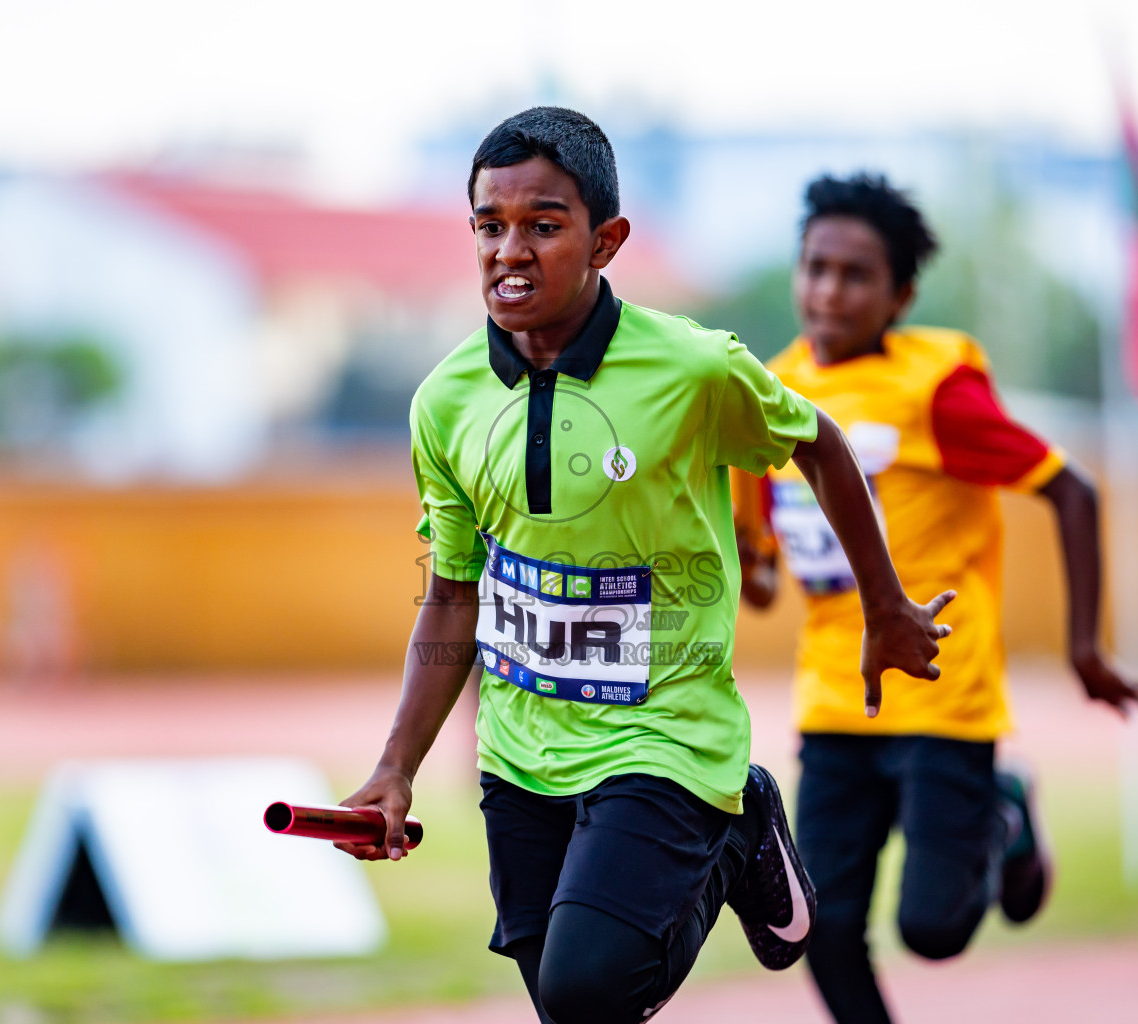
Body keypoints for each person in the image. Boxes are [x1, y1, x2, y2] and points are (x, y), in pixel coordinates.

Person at [333, 108, 953, 1024]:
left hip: (665, 736)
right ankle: (734, 833)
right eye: (489, 225)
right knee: (567, 1004)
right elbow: (454, 592)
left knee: (588, 990)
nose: (511, 249)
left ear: (605, 241)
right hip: (524, 753)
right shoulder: (445, 402)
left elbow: (818, 442)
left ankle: (733, 828)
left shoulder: (693, 369)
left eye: (544, 225)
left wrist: (885, 603)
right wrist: (398, 766)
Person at [731, 173, 1138, 1023]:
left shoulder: (936, 389)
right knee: (824, 927)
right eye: (815, 268)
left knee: (933, 929)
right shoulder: (763, 395)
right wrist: (749, 567)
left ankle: (1005, 811)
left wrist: (1084, 650)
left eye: (856, 274)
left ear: (902, 293)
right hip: (834, 701)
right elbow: (769, 575)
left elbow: (1073, 491)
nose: (828, 291)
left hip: (942, 694)